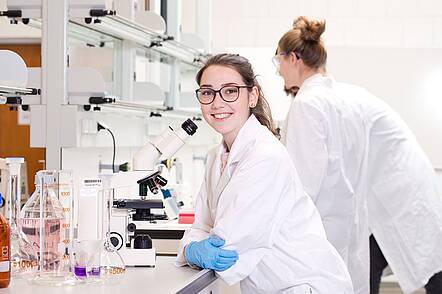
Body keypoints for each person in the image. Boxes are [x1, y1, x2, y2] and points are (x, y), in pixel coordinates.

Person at [274, 16, 442, 294]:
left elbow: (305, 182)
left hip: (398, 196)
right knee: (371, 267)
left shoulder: (311, 102)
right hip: (387, 197)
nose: (279, 71)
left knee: (428, 273)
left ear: (293, 58)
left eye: (278, 61)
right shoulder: (341, 96)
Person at [175, 53, 354, 294]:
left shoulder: (265, 156)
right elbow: (200, 226)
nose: (217, 103)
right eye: (207, 92)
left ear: (252, 96)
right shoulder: (215, 156)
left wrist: (188, 250)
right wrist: (192, 248)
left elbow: (227, 246)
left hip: (303, 285)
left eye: (230, 91)